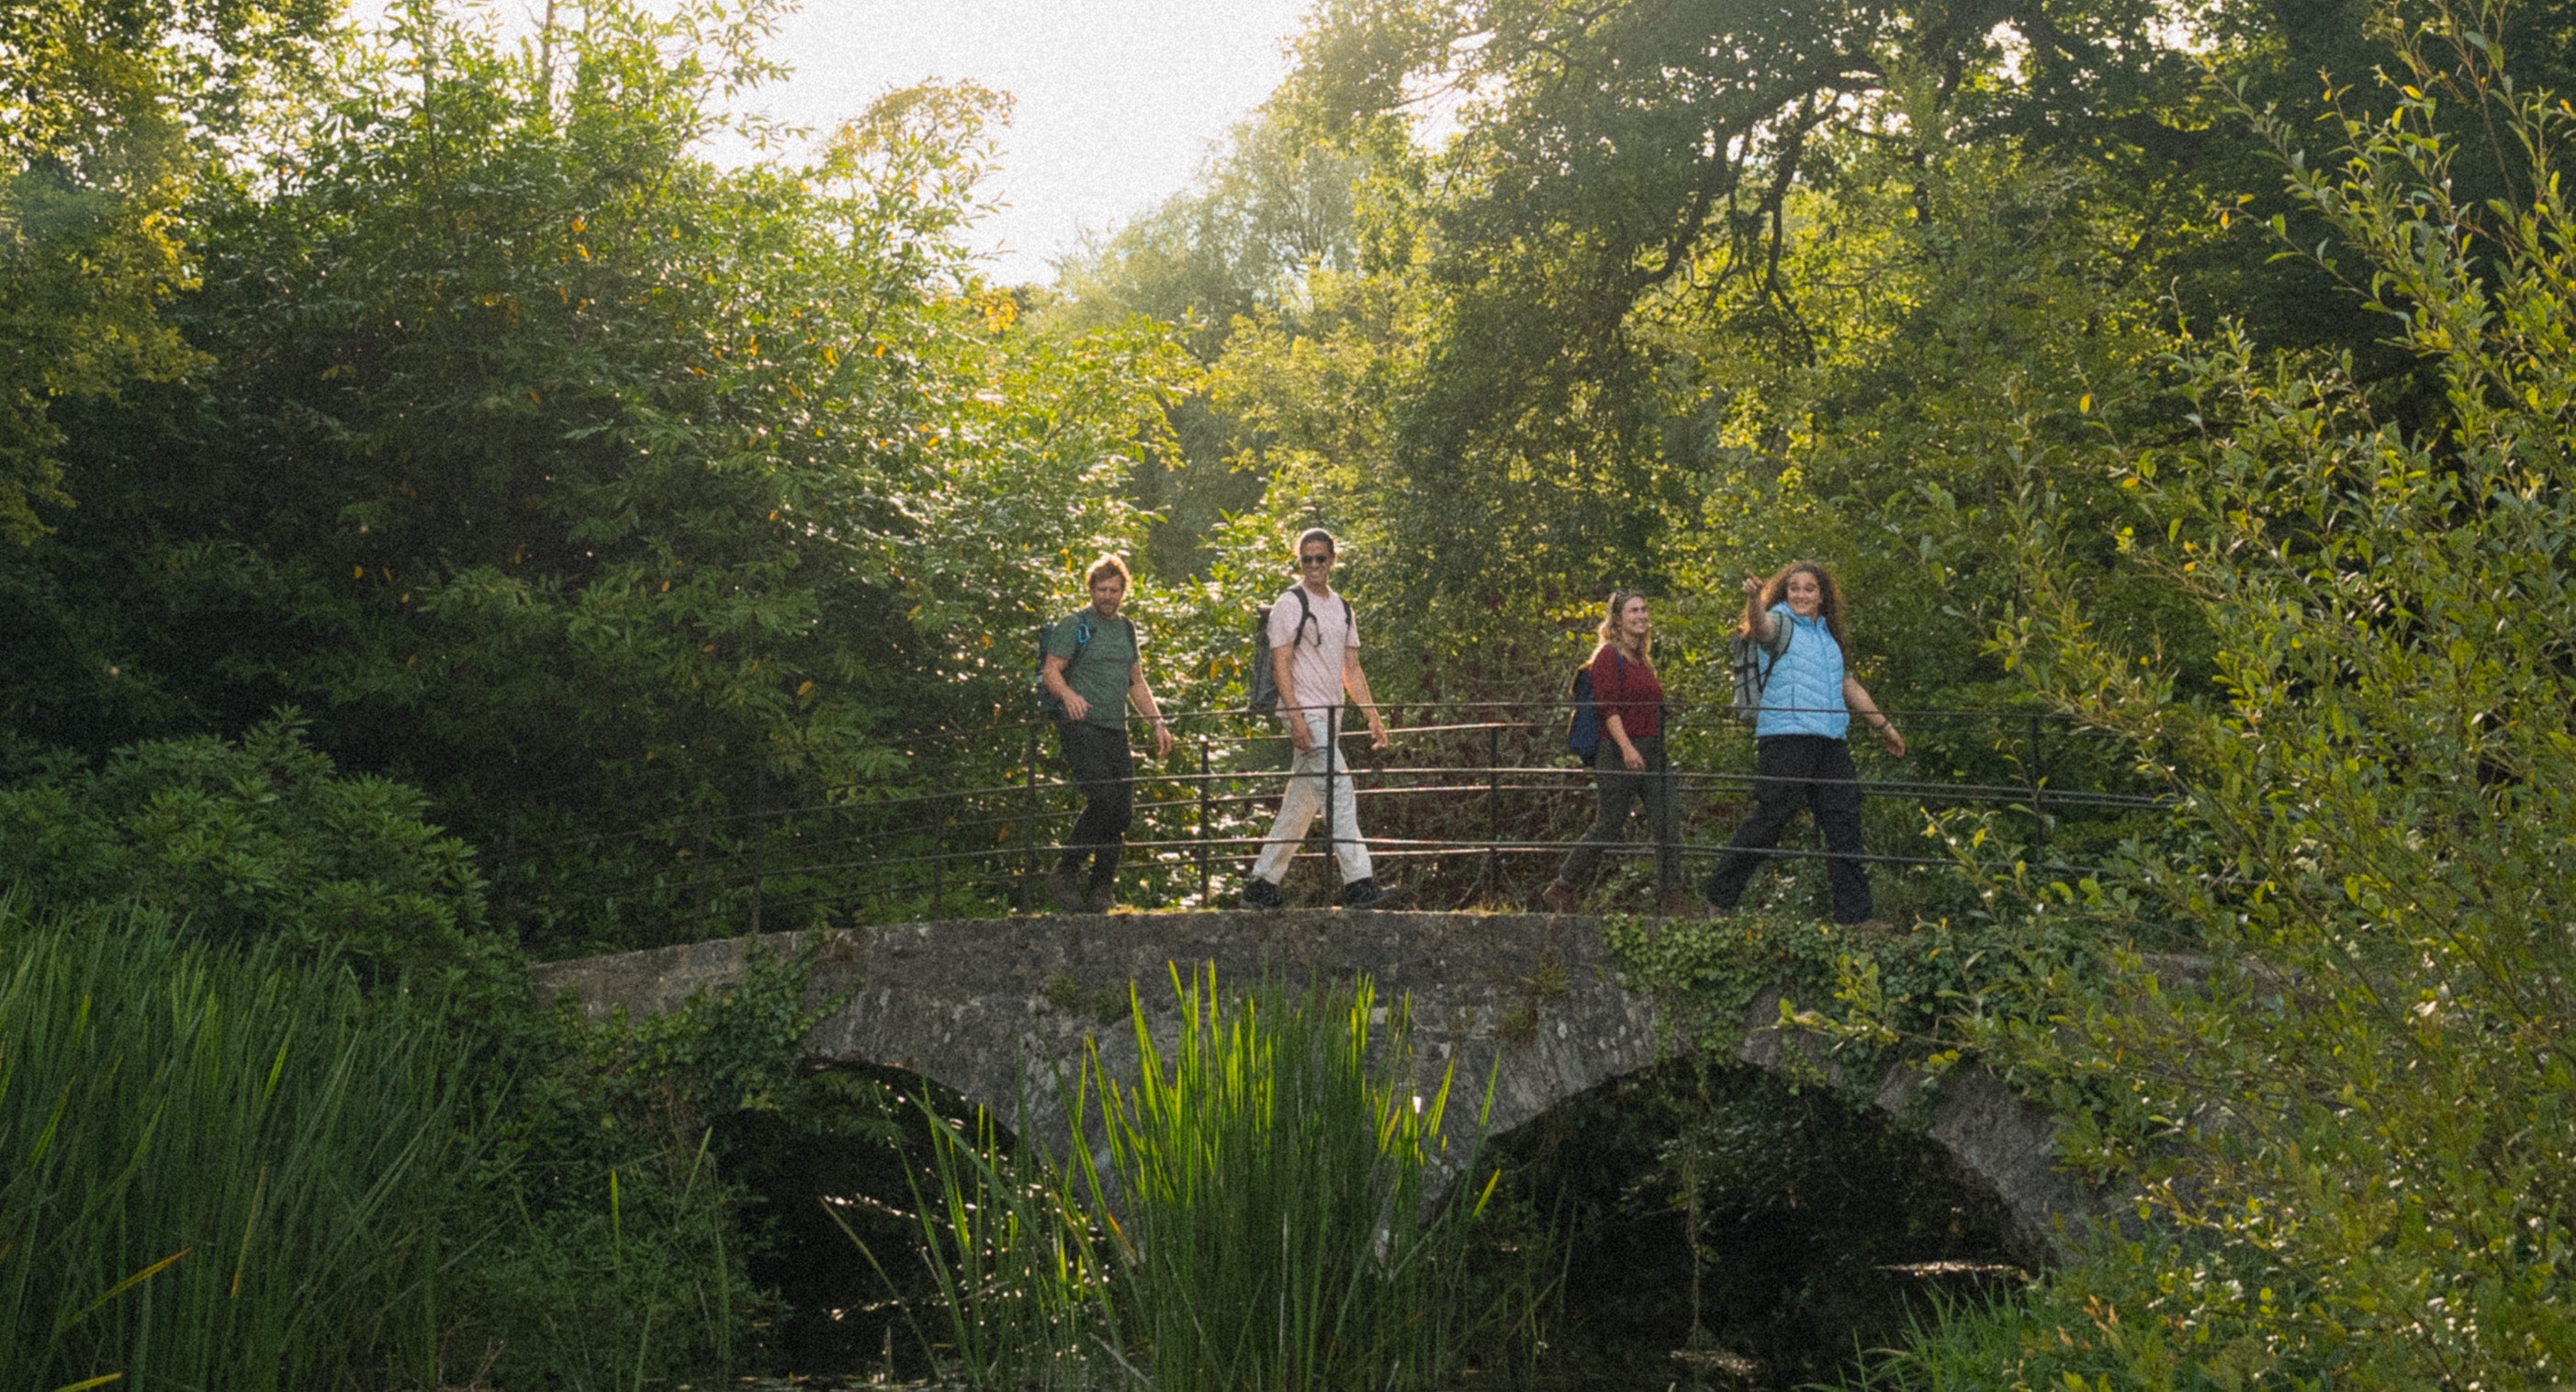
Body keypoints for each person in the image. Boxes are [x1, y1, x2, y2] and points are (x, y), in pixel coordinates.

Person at [1703, 562, 1907, 925]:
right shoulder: (1780, 622)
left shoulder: (1827, 639)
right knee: (1770, 819)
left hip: (1829, 741)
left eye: (1809, 588)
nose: (1800, 594)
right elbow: (1761, 630)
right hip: (1786, 737)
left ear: (1821, 596)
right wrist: (1754, 600)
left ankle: (1856, 918)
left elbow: (1848, 686)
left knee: (1844, 822)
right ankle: (1718, 899)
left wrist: (1884, 726)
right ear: (1784, 591)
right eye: (1794, 588)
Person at [1243, 528, 1390, 910]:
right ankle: (1359, 884)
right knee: (1339, 791)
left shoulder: (1341, 607)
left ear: (1332, 560)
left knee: (1302, 805)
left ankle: (1261, 883)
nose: (1313, 566)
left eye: (1320, 558)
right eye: (1306, 559)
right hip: (1306, 713)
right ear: (1300, 562)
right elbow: (1280, 663)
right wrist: (1295, 719)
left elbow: (1351, 669)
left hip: (1331, 717)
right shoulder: (1290, 603)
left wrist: (1372, 716)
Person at [1543, 590, 1691, 916]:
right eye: (1634, 611)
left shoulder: (1642, 660)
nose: (1641, 615)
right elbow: (1606, 706)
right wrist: (1627, 748)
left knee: (1667, 822)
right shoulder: (1609, 656)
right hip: (1617, 748)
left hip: (1654, 749)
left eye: (1644, 609)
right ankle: (1563, 886)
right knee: (1610, 822)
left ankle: (1673, 901)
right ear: (1618, 619)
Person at [1040, 555, 1173, 912]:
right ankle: (1065, 872)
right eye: (1102, 590)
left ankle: (1101, 890)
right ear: (1091, 590)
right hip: (1081, 725)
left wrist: (1157, 722)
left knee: (1122, 813)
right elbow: (1051, 671)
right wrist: (1069, 696)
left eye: (1115, 590)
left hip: (1116, 727)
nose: (1108, 596)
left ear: (1123, 591)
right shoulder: (1076, 624)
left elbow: (1136, 681)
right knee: (1102, 800)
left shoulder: (1126, 628)